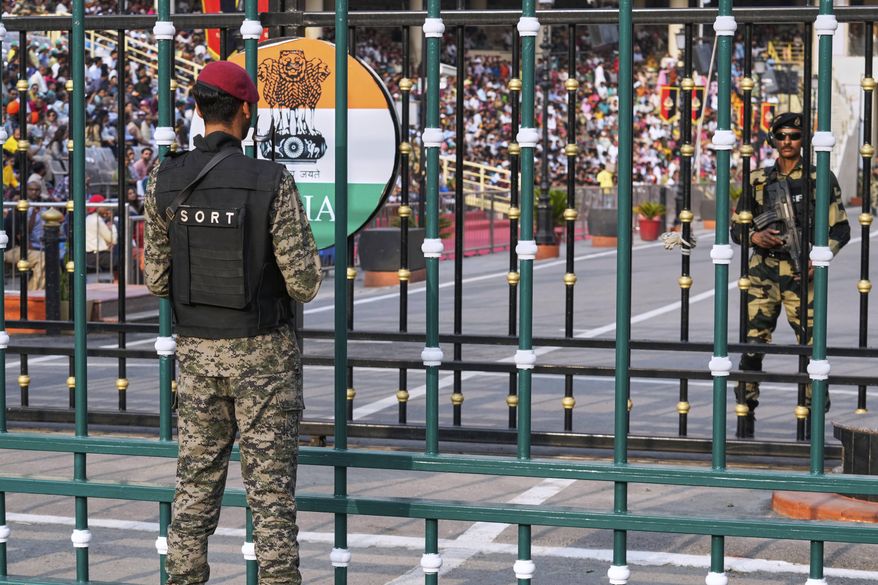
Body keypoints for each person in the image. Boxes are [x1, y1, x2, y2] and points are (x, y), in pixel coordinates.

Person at [143, 60, 322, 585]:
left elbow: (156, 278)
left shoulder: (165, 178)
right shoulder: (271, 179)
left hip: (197, 353)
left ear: (198, 109)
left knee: (194, 489)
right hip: (263, 355)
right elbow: (305, 282)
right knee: (270, 501)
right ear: (246, 109)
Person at [730, 112, 850, 438]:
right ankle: (746, 415)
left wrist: (820, 256)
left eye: (794, 136)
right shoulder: (757, 180)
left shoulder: (819, 178)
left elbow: (841, 228)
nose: (787, 142)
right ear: (772, 139)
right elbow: (737, 228)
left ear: (803, 141)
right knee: (752, 346)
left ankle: (811, 425)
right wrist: (754, 237)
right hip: (764, 271)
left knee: (812, 349)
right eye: (781, 135)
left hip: (802, 274)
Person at [84, 193, 117, 273]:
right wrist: (112, 223)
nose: (106, 207)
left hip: (89, 256)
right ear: (97, 207)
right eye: (103, 204)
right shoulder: (97, 220)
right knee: (129, 262)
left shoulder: (88, 218)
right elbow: (113, 240)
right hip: (98, 256)